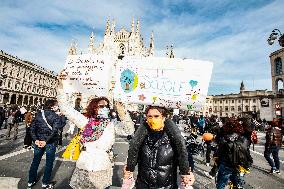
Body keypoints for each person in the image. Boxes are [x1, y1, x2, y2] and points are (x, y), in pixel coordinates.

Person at [56, 73, 135, 189]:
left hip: (103, 167)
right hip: (85, 166)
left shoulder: (111, 124)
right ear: (94, 108)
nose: (105, 108)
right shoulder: (85, 121)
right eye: (101, 106)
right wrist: (61, 86)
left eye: (107, 106)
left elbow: (129, 130)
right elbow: (65, 108)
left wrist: (122, 113)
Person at [123, 106, 195, 188]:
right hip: (143, 185)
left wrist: (188, 172)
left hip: (167, 186)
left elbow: (185, 155)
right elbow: (133, 153)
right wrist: (128, 168)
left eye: (156, 116)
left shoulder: (174, 138)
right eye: (150, 116)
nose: (153, 119)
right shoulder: (141, 137)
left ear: (164, 117)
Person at [27, 99, 66, 189]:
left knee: (35, 162)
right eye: (56, 105)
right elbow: (56, 129)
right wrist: (63, 116)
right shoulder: (55, 116)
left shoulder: (38, 114)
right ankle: (45, 183)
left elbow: (32, 128)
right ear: (52, 106)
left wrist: (35, 140)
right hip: (50, 143)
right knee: (49, 163)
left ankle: (30, 181)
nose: (57, 106)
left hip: (38, 142)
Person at [215, 117, 253, 189]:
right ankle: (239, 185)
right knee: (237, 182)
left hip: (227, 164)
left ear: (226, 127)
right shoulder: (244, 138)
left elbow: (219, 153)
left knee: (220, 184)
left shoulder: (225, 138)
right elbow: (246, 150)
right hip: (240, 164)